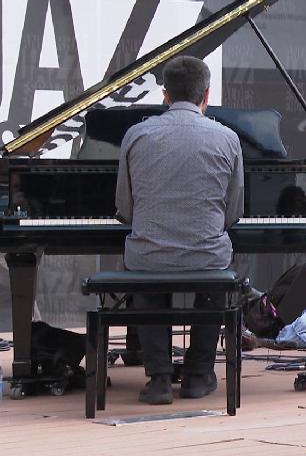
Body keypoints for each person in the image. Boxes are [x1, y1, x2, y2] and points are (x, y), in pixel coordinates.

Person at [115, 55, 244, 405]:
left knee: (145, 264)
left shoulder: (136, 135)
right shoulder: (228, 139)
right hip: (206, 255)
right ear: (207, 94)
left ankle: (158, 378)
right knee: (217, 266)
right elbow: (233, 213)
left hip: (149, 256)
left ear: (165, 96)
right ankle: (198, 376)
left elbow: (125, 211)